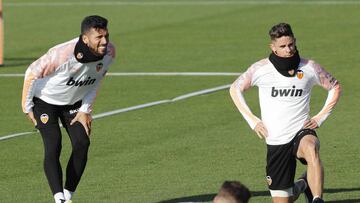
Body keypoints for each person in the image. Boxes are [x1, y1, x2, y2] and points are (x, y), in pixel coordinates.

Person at [229, 23, 341, 203]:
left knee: (311, 147)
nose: (288, 50)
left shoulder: (310, 67)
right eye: (282, 46)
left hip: (301, 131)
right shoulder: (260, 69)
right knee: (284, 200)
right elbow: (235, 89)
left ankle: (318, 199)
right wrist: (254, 121)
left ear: (295, 42)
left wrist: (320, 118)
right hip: (276, 140)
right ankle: (304, 184)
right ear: (272, 47)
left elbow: (335, 87)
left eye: (291, 44)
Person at [21, 15, 115, 203]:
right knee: (54, 144)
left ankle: (67, 196)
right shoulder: (62, 54)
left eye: (106, 36)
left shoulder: (109, 53)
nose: (104, 42)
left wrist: (85, 110)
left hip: (74, 103)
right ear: (85, 38)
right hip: (44, 101)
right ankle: (59, 198)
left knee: (82, 143)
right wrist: (27, 107)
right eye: (99, 38)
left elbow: (96, 81)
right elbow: (31, 73)